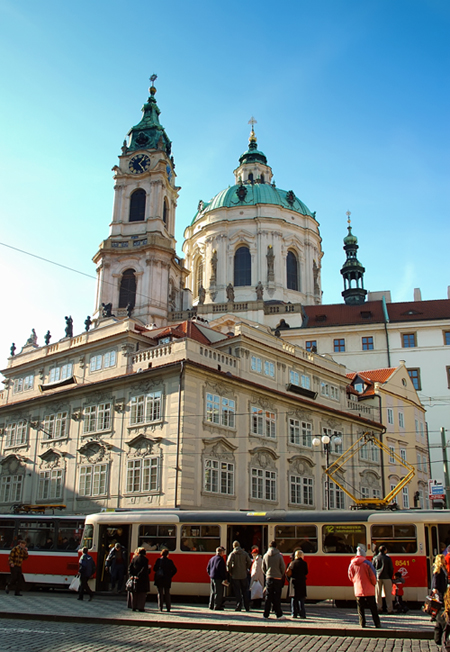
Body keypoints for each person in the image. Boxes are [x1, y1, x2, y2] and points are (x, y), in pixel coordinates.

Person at [348, 545, 381, 629]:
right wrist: (374, 584)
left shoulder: (352, 564)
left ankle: (362, 623)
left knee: (360, 608)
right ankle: (377, 623)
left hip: (358, 589)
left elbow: (350, 576)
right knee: (373, 607)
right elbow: (372, 576)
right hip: (369, 589)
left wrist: (355, 582)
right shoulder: (367, 563)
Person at [262, 540, 286, 620]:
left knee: (268, 596)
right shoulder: (279, 556)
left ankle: (266, 614)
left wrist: (267, 574)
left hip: (269, 578)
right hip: (277, 578)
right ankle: (278, 614)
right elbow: (283, 567)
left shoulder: (265, 555)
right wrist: (280, 574)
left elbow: (263, 567)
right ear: (276, 547)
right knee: (277, 597)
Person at [226, 540, 252, 612]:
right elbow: (249, 561)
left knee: (237, 591)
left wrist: (230, 571)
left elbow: (228, 563)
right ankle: (247, 606)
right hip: (243, 575)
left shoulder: (232, 554)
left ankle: (239, 605)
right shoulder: (245, 553)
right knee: (245, 591)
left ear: (233, 546)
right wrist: (246, 568)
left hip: (235, 575)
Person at [127, 547, 151, 612]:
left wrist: (132, 575)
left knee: (134, 594)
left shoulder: (134, 559)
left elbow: (130, 568)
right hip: (142, 579)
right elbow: (144, 569)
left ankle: (133, 607)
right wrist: (138, 576)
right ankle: (140, 607)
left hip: (134, 579)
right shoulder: (145, 560)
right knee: (142, 594)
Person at [153, 548, 177, 612]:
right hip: (167, 579)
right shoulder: (170, 561)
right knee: (167, 593)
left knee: (160, 593)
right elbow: (175, 570)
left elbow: (154, 569)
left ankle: (160, 607)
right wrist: (170, 575)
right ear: (167, 554)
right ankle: (168, 607)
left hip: (159, 579)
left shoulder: (158, 560)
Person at [287, 549, 308, 618]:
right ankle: (302, 614)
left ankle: (294, 613)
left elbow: (289, 573)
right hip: (301, 582)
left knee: (294, 599)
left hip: (294, 582)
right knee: (301, 599)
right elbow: (306, 572)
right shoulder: (304, 563)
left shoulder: (292, 563)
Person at [372, 545, 394, 614]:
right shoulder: (388, 558)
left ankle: (379, 608)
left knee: (378, 593)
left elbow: (373, 568)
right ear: (385, 551)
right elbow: (391, 569)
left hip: (378, 577)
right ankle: (389, 609)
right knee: (388, 594)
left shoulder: (375, 558)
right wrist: (390, 577)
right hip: (387, 577)